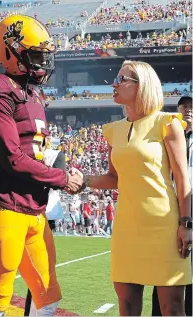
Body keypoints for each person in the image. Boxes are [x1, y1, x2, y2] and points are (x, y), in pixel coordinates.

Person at [0, 15, 83, 316]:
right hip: (3, 204)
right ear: (11, 51)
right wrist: (62, 178)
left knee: (48, 296)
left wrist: (57, 168)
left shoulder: (31, 92)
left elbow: (32, 152)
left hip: (34, 206)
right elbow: (12, 158)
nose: (43, 65)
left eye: (45, 57)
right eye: (36, 56)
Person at [78, 60, 192, 316]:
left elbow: (183, 178)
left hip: (165, 225)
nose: (114, 84)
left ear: (143, 86)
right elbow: (113, 178)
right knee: (127, 307)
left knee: (172, 308)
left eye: (122, 79)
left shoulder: (167, 123)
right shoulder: (113, 131)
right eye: (115, 79)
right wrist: (83, 180)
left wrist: (186, 224)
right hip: (127, 227)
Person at [152, 95, 192, 317]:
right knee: (163, 270)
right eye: (183, 106)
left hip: (190, 208)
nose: (188, 110)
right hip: (168, 208)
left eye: (192, 107)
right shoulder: (167, 137)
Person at [25, 148, 66, 316]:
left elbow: (58, 181)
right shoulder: (16, 151)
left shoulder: (55, 155)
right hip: (18, 212)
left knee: (41, 274)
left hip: (43, 216)